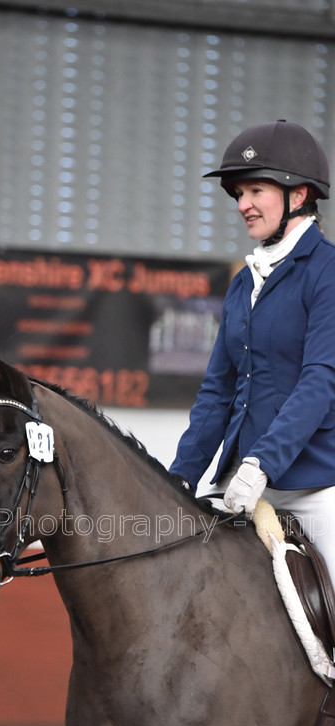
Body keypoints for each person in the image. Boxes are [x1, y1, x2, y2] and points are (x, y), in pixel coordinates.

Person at [170, 119, 335, 586]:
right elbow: (218, 391)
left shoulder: (328, 273)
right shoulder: (244, 282)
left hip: (313, 484)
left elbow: (320, 380)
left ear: (298, 195)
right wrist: (181, 475)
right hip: (238, 484)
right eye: (238, 194)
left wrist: (262, 463)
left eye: (255, 191)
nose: (242, 205)